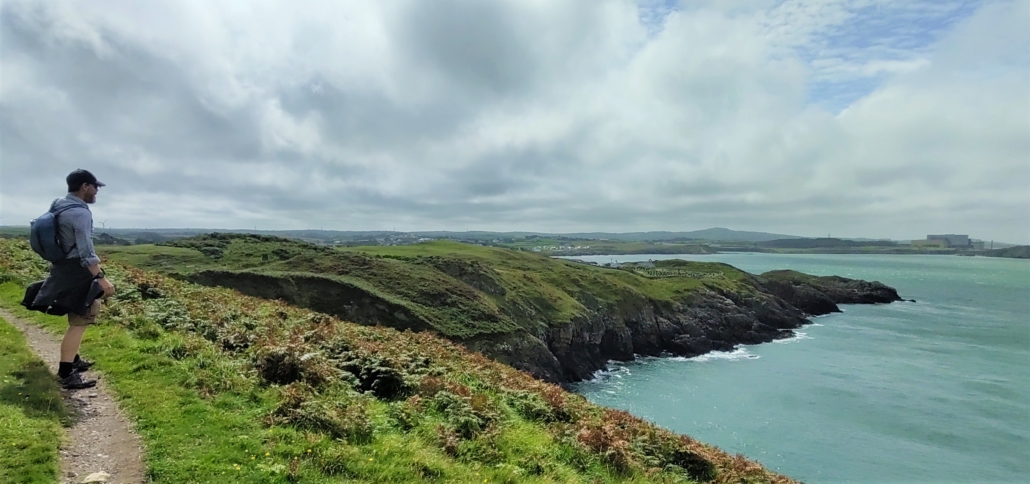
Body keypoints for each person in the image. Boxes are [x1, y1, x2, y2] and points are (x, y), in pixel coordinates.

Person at [29, 169, 116, 389]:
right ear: (85, 186)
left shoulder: (58, 204)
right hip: (78, 270)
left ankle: (74, 360)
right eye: (95, 187)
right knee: (80, 320)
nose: (97, 191)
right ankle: (66, 373)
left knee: (76, 314)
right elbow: (87, 251)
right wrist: (101, 278)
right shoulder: (81, 213)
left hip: (62, 266)